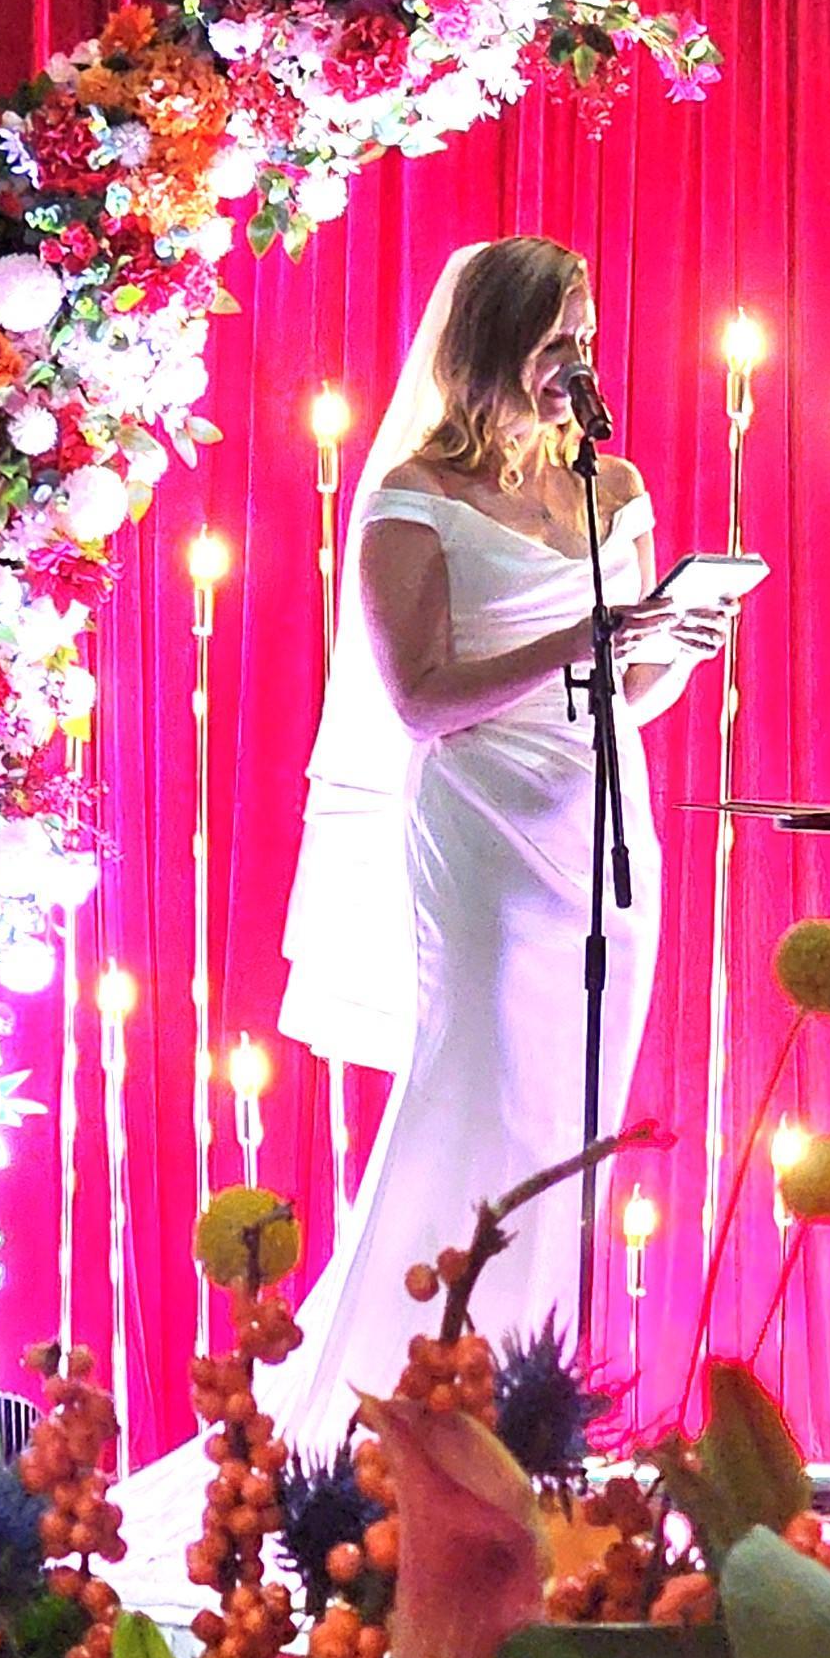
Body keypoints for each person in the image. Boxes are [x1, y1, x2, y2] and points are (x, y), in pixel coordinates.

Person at [269, 237, 729, 1441]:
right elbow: (422, 699)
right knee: (483, 1096)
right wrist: (587, 636)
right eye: (552, 341)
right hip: (479, 823)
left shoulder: (609, 487)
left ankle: (530, 1399)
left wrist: (675, 643)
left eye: (586, 338)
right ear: (488, 346)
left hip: (602, 818)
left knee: (577, 1119)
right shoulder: (413, 497)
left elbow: (626, 688)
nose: (576, 362)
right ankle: (405, 1397)